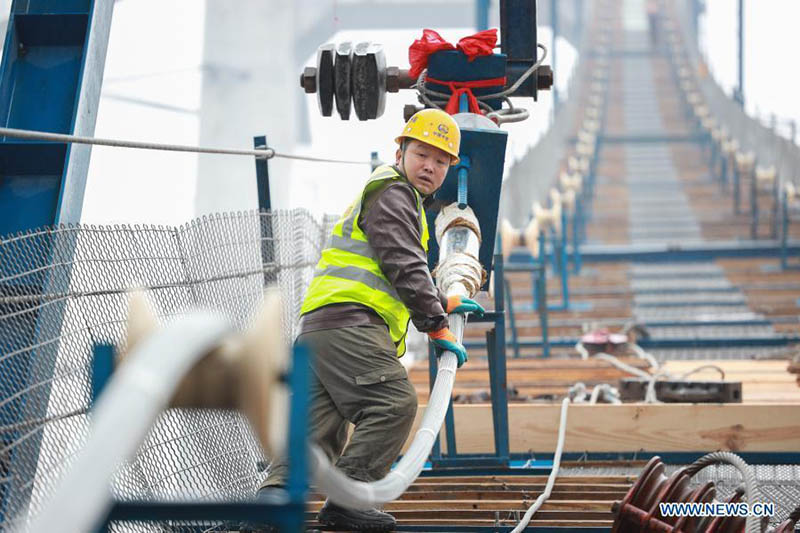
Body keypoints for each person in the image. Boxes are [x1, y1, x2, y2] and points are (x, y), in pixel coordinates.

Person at [257, 108, 485, 531]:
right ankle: (348, 501)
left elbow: (390, 266)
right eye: (422, 154)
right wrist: (434, 321)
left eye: (440, 161)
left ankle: (270, 509)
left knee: (316, 432)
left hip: (322, 328)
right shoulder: (394, 193)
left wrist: (441, 301)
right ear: (401, 150)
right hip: (352, 324)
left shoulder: (390, 195)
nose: (430, 167)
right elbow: (403, 261)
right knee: (392, 402)